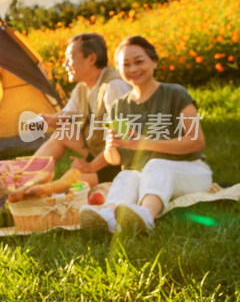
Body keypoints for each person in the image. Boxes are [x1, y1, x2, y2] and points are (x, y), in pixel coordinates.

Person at [79, 35, 211, 234]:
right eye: (126, 65)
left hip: (191, 171)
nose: (133, 69)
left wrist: (144, 143)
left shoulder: (175, 94)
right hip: (145, 176)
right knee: (126, 175)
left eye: (139, 61)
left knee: (155, 165)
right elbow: (114, 160)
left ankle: (146, 216)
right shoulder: (119, 106)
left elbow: (196, 141)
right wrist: (110, 147)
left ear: (154, 61)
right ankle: (108, 216)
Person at [33, 32, 130, 185]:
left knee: (70, 182)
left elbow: (122, 139)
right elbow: (66, 116)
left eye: (70, 58)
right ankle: (26, 178)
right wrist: (48, 120)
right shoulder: (82, 88)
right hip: (100, 150)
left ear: (91, 58)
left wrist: (91, 166)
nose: (65, 64)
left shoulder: (113, 87)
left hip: (121, 161)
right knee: (63, 132)